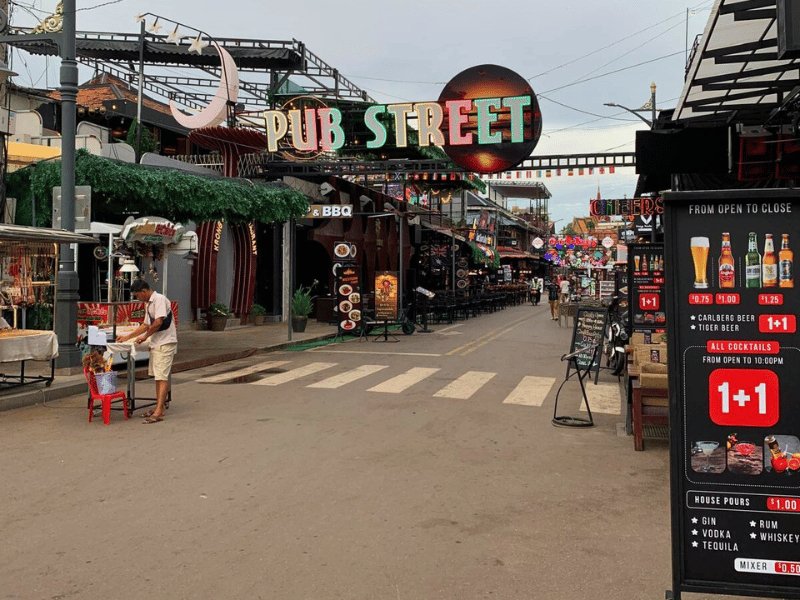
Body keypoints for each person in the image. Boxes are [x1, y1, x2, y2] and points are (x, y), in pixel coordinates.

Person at [117, 279, 177, 424]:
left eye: (138, 295)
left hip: (165, 342)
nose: (138, 299)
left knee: (162, 377)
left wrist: (144, 337)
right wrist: (128, 337)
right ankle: (159, 407)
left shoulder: (159, 300)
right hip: (157, 342)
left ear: (144, 291)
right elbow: (145, 324)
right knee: (158, 376)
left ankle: (159, 411)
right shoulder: (148, 304)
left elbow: (158, 322)